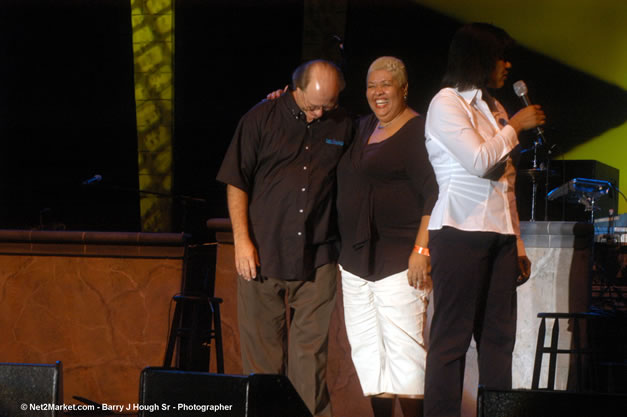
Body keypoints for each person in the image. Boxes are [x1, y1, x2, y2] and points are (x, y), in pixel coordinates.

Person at [216, 59, 353, 417]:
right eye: (312, 105)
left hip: (318, 257)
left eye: (328, 105)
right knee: (263, 363)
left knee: (310, 365)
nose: (319, 113)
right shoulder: (260, 118)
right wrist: (242, 242)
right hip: (263, 254)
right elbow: (236, 180)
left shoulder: (342, 123)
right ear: (295, 89)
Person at [423, 23, 545, 417]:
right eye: (500, 57)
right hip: (459, 230)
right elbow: (478, 162)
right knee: (451, 340)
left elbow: (505, 182)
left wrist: (518, 243)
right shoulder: (447, 102)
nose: (507, 65)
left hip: (499, 236)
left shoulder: (494, 108)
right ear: (477, 59)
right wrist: (514, 128)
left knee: (498, 340)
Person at [336, 56, 438, 417]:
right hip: (356, 262)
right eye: (371, 85)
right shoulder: (362, 128)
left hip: (399, 262)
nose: (378, 93)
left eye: (386, 85)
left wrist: (421, 249)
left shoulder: (418, 131)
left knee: (406, 356)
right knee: (369, 354)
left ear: (404, 89)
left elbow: (434, 193)